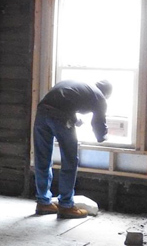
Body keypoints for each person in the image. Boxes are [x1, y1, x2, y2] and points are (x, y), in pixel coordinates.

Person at [32, 79, 112, 219]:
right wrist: (103, 137)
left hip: (41, 112)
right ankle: (66, 205)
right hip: (60, 117)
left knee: (42, 158)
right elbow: (98, 124)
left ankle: (43, 202)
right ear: (106, 94)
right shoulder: (100, 97)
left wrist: (75, 120)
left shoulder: (79, 85)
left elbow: (62, 102)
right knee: (69, 160)